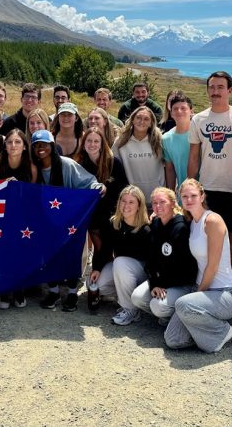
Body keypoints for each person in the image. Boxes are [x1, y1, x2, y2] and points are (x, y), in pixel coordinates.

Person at [187, 71, 232, 310]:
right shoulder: (198, 120)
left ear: (230, 90)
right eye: (212, 87)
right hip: (208, 190)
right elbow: (193, 157)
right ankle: (208, 295)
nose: (215, 91)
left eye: (220, 87)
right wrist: (190, 188)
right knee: (207, 246)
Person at [164, 179, 232, 354]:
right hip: (203, 291)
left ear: (202, 196)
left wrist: (196, 294)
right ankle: (206, 333)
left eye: (193, 196)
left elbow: (212, 267)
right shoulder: (192, 222)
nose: (189, 199)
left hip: (225, 293)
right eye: (185, 196)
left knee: (183, 305)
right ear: (180, 198)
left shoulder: (212, 220)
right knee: (173, 340)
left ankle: (223, 330)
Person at [31, 130, 105, 312]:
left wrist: (98, 187)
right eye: (37, 145)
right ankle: (54, 291)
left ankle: (72, 292)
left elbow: (88, 181)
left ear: (52, 146)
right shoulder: (34, 168)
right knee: (49, 255)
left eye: (45, 144)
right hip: (46, 222)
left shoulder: (67, 165)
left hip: (69, 219)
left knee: (71, 254)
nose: (41, 148)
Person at [131, 187, 197, 323]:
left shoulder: (181, 227)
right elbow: (151, 259)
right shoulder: (155, 223)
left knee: (157, 306)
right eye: (154, 203)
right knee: (137, 297)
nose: (158, 206)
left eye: (162, 202)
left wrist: (161, 284)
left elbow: (185, 267)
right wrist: (155, 283)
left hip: (181, 283)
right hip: (162, 281)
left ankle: (172, 316)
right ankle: (165, 316)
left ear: (173, 204)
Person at [88, 185, 150, 325]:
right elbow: (105, 249)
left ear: (139, 206)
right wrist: (97, 268)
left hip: (143, 274)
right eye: (123, 201)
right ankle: (125, 295)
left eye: (131, 202)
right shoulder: (114, 223)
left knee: (120, 262)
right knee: (95, 285)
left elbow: (153, 260)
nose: (126, 205)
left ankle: (131, 310)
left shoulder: (146, 229)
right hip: (122, 270)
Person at [0, 129, 37, 310]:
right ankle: (5, 289)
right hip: (2, 217)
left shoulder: (31, 167)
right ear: (5, 145)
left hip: (23, 218)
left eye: (18, 142)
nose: (13, 146)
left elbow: (34, 195)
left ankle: (19, 288)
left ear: (25, 146)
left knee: (20, 252)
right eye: (9, 142)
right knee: (4, 253)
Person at [73, 126, 128, 247]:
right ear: (83, 143)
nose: (92, 144)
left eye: (96, 141)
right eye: (89, 141)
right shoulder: (78, 165)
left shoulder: (113, 162)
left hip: (113, 216)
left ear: (102, 144)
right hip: (92, 218)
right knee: (100, 252)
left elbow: (124, 188)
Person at [112, 106, 165, 209]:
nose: (142, 121)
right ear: (132, 120)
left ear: (151, 123)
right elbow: (112, 164)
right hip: (133, 199)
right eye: (138, 117)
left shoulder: (159, 140)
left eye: (146, 119)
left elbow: (168, 166)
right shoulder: (121, 141)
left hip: (157, 198)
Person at [162, 92, 193, 191]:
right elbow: (170, 170)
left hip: (205, 194)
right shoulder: (166, 138)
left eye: (183, 108)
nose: (179, 111)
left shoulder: (201, 133)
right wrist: (171, 195)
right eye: (175, 109)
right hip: (182, 194)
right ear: (171, 113)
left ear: (191, 111)